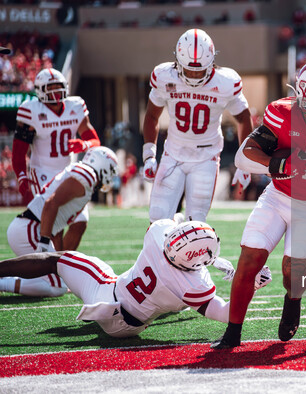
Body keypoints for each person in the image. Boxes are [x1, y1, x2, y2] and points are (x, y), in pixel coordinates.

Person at [211, 58, 306, 349]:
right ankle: (233, 332)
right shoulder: (281, 112)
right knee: (249, 261)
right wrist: (277, 163)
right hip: (278, 196)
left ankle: (292, 300)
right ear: (302, 90)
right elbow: (245, 155)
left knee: (292, 272)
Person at [0, 219, 272, 337]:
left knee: (56, 259)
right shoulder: (193, 283)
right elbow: (227, 314)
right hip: (130, 325)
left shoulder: (158, 236)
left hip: (108, 293)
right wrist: (250, 284)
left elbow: (166, 223)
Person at [142, 28, 253, 223]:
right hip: (173, 154)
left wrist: (245, 162)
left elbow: (244, 118)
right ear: (177, 62)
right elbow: (152, 115)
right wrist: (149, 154)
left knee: (196, 224)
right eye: (188, 69)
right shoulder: (164, 76)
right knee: (157, 220)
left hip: (205, 158)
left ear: (211, 63)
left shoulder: (225, 82)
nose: (193, 74)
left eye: (199, 69)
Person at [0, 147, 118, 297]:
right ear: (102, 164)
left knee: (57, 282)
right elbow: (51, 204)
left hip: (31, 227)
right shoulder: (87, 176)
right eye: (111, 169)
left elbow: (56, 220)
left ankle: (5, 280)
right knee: (56, 287)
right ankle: (3, 283)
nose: (111, 175)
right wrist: (43, 243)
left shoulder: (84, 176)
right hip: (31, 227)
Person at [12, 68, 101, 251]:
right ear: (40, 91)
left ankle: (63, 263)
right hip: (43, 171)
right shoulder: (31, 111)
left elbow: (94, 140)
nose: (55, 93)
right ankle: (55, 269)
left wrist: (83, 145)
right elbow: (18, 150)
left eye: (58, 88)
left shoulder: (75, 106)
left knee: (80, 223)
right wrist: (21, 175)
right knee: (55, 229)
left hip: (68, 170)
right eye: (50, 88)